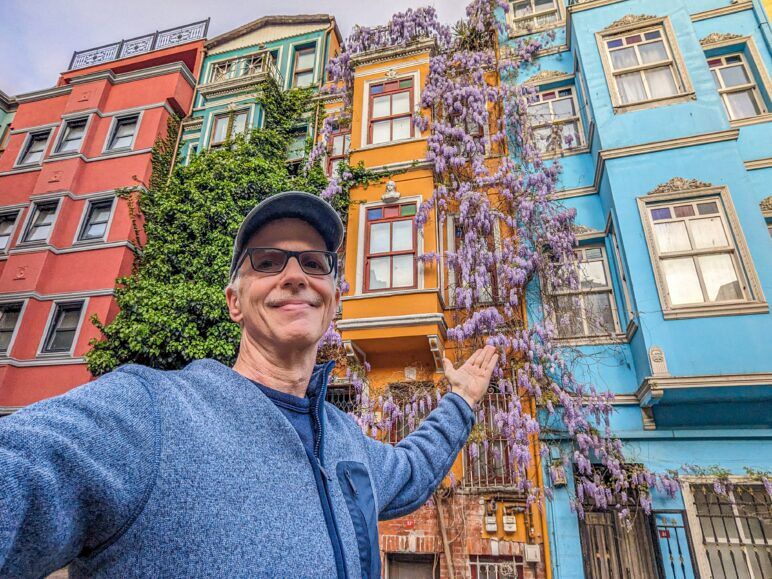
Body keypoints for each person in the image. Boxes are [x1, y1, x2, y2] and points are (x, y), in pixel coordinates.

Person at [0, 191, 498, 578]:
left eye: (314, 262)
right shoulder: (149, 412)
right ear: (234, 302)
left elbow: (412, 471)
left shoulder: (346, 441)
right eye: (267, 262)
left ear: (332, 300)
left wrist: (462, 399)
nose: (295, 275)